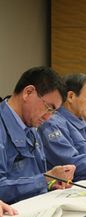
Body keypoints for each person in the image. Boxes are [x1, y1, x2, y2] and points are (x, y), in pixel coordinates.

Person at [0, 66, 75, 204]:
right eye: (48, 108)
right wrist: (45, 179)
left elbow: (32, 176)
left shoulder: (31, 126)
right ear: (28, 92)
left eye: (53, 112)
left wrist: (50, 183)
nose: (48, 117)